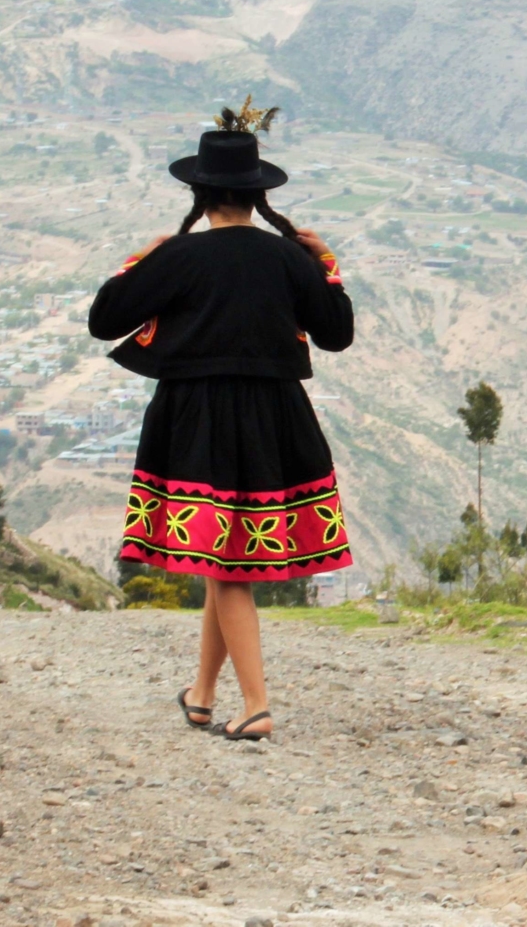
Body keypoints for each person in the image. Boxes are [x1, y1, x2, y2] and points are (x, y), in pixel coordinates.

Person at [88, 103, 354, 742]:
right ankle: (203, 695)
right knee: (225, 557)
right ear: (258, 195)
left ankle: (257, 705)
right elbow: (336, 334)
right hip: (275, 414)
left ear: (199, 192)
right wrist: (326, 264)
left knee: (227, 562)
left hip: (199, 416)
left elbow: (105, 318)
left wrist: (140, 260)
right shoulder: (289, 259)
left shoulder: (180, 257)